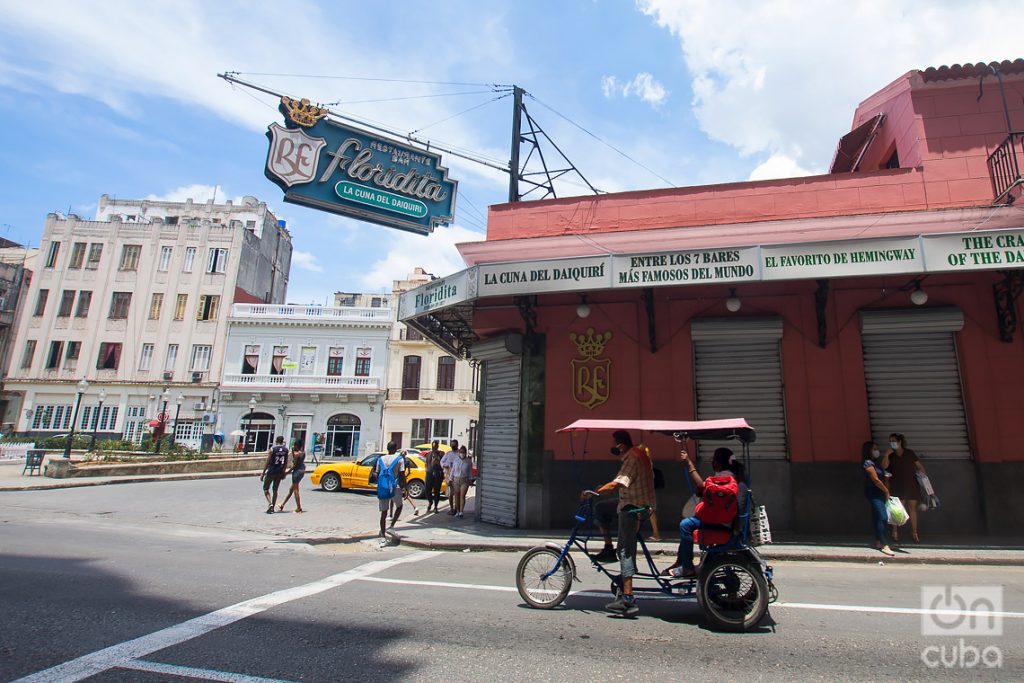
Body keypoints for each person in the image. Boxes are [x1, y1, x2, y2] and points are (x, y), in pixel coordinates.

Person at [581, 429, 655, 617]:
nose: (613, 448)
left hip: (634, 507)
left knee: (625, 548)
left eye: (614, 444)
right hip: (632, 501)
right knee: (601, 509)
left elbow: (619, 483)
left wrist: (594, 492)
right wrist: (602, 490)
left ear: (620, 444)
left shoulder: (633, 457)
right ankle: (607, 548)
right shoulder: (635, 454)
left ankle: (628, 598)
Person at [664, 446, 747, 578]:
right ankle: (682, 561)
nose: (712, 462)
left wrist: (689, 463)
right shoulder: (732, 476)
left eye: (714, 460)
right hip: (726, 520)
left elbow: (702, 486)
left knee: (685, 525)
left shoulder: (725, 477)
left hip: (721, 522)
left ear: (719, 462)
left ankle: (687, 567)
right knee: (689, 524)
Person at [884, 433, 928, 543]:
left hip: (911, 485)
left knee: (912, 508)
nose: (891, 443)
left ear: (900, 442)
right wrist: (886, 455)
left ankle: (914, 533)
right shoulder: (891, 455)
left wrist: (924, 478)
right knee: (897, 510)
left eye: (893, 441)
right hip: (897, 486)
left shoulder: (910, 453)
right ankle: (895, 532)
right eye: (890, 441)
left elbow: (919, 466)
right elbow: (884, 466)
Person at [861, 441, 895, 556]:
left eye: (877, 448)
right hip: (874, 493)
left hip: (879, 492)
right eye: (874, 449)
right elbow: (875, 480)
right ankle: (885, 545)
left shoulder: (876, 463)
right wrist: (886, 491)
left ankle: (878, 541)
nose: (877, 451)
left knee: (876, 517)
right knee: (883, 517)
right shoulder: (868, 463)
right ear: (869, 451)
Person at [372, 442, 406, 544]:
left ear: (387, 448)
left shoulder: (380, 459)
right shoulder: (399, 459)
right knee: (399, 506)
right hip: (395, 487)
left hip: (383, 487)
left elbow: (376, 473)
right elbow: (402, 475)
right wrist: (404, 488)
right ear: (396, 448)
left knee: (384, 512)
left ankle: (383, 535)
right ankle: (391, 526)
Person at [260, 435, 289, 514]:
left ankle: (270, 504)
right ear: (283, 441)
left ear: (276, 441)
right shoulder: (286, 450)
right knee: (275, 489)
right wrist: (284, 472)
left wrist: (263, 473)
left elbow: (267, 462)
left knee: (266, 488)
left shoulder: (272, 449)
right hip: (279, 472)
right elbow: (286, 463)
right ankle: (273, 505)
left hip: (271, 471)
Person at [277, 440, 307, 513]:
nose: (293, 446)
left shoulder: (297, 454)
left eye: (294, 445)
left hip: (296, 472)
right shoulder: (303, 453)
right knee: (291, 489)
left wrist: (286, 473)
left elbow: (294, 466)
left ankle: (299, 507)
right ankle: (283, 504)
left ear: (297, 446)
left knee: (296, 490)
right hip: (302, 470)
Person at [451, 445, 473, 518]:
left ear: (465, 453)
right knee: (457, 495)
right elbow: (453, 470)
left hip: (465, 480)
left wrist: (471, 479)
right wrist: (450, 479)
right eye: (461, 452)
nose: (462, 453)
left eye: (463, 452)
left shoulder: (468, 461)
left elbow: (470, 471)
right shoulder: (456, 460)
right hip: (456, 479)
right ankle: (457, 511)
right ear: (459, 452)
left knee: (462, 495)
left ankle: (461, 511)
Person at [440, 440, 460, 515]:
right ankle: (452, 508)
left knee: (457, 493)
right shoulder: (448, 454)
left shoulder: (459, 454)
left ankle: (456, 508)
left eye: (454, 445)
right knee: (450, 494)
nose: (453, 446)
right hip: (449, 476)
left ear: (457, 445)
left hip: (457, 476)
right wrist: (444, 465)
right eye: (452, 445)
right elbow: (441, 461)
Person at [425, 441, 444, 513]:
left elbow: (443, 464)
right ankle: (430, 501)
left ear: (437, 447)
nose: (434, 448)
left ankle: (436, 507)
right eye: (433, 447)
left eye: (435, 446)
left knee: (437, 491)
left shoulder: (441, 454)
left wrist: (438, 462)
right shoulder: (428, 454)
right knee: (427, 490)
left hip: (438, 474)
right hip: (429, 474)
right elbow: (427, 464)